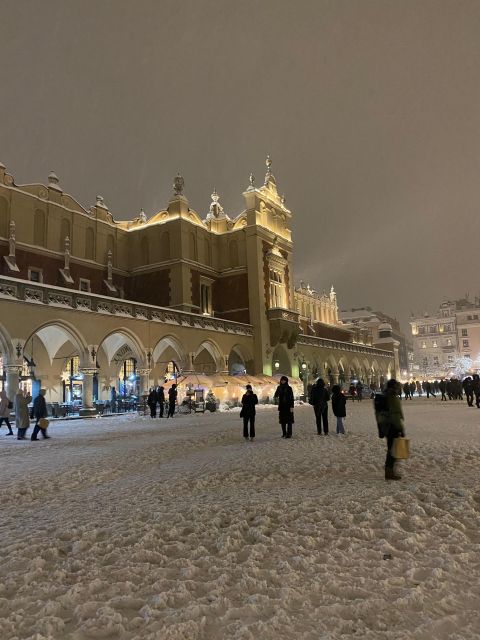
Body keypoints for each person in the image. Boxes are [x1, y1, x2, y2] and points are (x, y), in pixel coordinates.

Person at [376, 379, 405, 481]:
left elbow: (379, 414)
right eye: (397, 386)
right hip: (393, 426)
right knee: (393, 450)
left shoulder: (385, 396)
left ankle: (389, 471)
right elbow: (395, 414)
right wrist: (400, 428)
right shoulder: (392, 397)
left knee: (391, 449)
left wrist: (380, 428)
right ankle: (389, 472)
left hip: (386, 426)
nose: (398, 388)